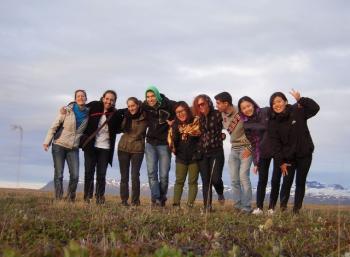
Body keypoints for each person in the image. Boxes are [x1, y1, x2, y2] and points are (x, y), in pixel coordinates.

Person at [269, 89, 320, 214]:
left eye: (279, 101)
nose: (277, 105)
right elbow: (276, 145)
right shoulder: (274, 122)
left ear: (285, 101)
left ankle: (296, 210)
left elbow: (315, 108)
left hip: (305, 154)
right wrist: (281, 162)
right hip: (288, 158)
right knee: (286, 182)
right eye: (274, 103)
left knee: (300, 182)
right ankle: (283, 208)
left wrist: (301, 100)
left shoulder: (297, 110)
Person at [43, 89, 89, 201]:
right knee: (59, 174)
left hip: (73, 147)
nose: (80, 98)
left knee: (75, 175)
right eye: (78, 96)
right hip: (59, 145)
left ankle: (70, 198)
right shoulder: (67, 110)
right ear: (75, 99)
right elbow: (54, 125)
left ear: (86, 98)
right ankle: (58, 198)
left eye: (83, 96)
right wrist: (47, 141)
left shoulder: (88, 113)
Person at [81, 90, 124, 204]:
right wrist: (68, 106)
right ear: (103, 98)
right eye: (107, 98)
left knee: (101, 174)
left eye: (112, 100)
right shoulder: (94, 106)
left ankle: (100, 197)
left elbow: (120, 127)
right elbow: (80, 106)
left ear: (114, 102)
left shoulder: (115, 114)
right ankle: (87, 197)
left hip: (105, 148)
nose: (109, 101)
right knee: (89, 172)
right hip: (91, 146)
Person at [238, 96, 279, 215]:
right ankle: (259, 208)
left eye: (248, 106)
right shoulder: (246, 125)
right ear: (241, 111)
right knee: (262, 180)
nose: (247, 109)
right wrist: (256, 162)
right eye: (244, 108)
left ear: (253, 104)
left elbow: (279, 117)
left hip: (277, 149)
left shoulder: (266, 111)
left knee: (275, 180)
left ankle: (271, 208)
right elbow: (254, 143)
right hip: (263, 151)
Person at [214, 92, 252, 213]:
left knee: (243, 178)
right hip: (234, 149)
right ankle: (237, 207)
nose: (217, 106)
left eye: (218, 103)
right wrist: (222, 135)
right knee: (234, 180)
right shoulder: (221, 115)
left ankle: (246, 208)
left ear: (226, 103)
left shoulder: (241, 111)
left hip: (246, 148)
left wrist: (251, 148)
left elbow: (255, 129)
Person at [142, 86, 176, 206]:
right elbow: (133, 109)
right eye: (148, 97)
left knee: (164, 175)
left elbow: (183, 109)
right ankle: (156, 199)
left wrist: (174, 122)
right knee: (151, 172)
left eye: (152, 96)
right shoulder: (145, 106)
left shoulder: (169, 104)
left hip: (164, 144)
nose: (150, 99)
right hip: (150, 143)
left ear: (157, 95)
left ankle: (162, 198)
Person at [193, 94, 225, 211]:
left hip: (216, 151)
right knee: (206, 181)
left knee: (216, 178)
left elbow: (229, 125)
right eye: (198, 105)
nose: (200, 106)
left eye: (202, 104)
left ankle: (220, 192)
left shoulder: (218, 114)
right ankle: (207, 207)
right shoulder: (197, 118)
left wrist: (224, 135)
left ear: (208, 103)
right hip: (202, 152)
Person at [168, 101, 201, 207]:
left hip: (194, 157)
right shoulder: (175, 126)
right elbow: (173, 143)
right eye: (177, 112)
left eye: (182, 111)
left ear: (187, 110)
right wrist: (175, 135)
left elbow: (202, 138)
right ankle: (176, 204)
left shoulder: (196, 122)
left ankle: (190, 205)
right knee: (179, 181)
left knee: (192, 182)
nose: (180, 114)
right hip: (181, 157)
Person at [117, 97, 147, 206]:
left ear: (138, 105)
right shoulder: (125, 115)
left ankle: (135, 202)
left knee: (135, 176)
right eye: (129, 106)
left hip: (138, 149)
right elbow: (118, 127)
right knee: (124, 177)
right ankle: (124, 201)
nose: (131, 108)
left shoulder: (145, 116)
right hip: (123, 148)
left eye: (133, 105)